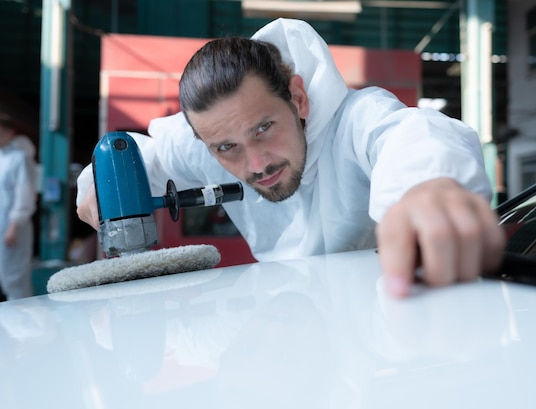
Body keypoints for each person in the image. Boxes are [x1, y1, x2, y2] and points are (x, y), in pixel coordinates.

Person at [77, 18, 506, 297]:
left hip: (384, 319)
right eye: (226, 148)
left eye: (264, 128)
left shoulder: (355, 120)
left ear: (298, 98)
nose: (257, 163)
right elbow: (137, 156)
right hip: (287, 315)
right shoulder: (205, 140)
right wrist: (96, 182)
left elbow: (410, 134)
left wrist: (427, 185)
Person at [0, 114, 38, 300]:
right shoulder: (3, 157)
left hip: (11, 227)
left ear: (10, 133)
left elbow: (24, 194)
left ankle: (20, 327)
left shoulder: (20, 157)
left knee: (14, 278)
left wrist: (14, 225)